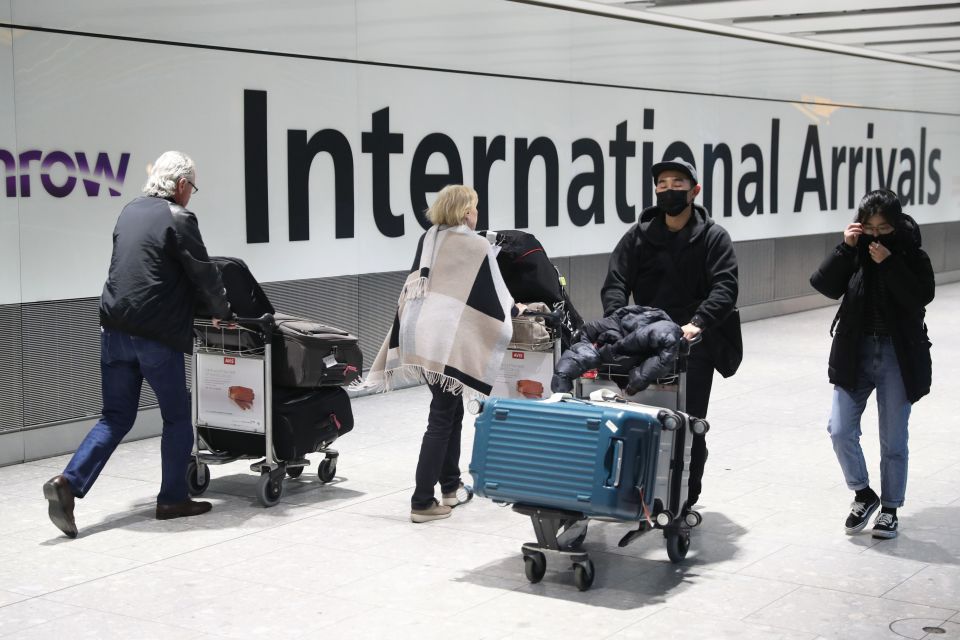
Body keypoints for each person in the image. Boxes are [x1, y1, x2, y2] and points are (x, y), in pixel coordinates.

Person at [42, 151, 233, 538]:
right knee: (178, 417)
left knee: (115, 417)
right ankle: (172, 499)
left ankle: (68, 483)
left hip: (112, 330)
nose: (190, 195)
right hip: (154, 336)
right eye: (191, 188)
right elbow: (202, 272)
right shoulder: (178, 218)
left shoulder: (129, 211)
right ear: (181, 185)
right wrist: (222, 312)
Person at [361, 185, 514, 523]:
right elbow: (495, 295)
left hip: (417, 333)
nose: (476, 214)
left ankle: (450, 486)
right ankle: (422, 501)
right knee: (441, 418)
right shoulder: (476, 245)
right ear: (464, 212)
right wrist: (514, 313)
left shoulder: (429, 238)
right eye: (474, 208)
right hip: (443, 342)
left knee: (449, 410)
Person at [601, 158, 740, 509]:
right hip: (647, 339)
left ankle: (684, 499)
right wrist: (619, 320)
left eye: (677, 182)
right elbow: (616, 282)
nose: (668, 189)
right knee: (642, 416)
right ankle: (639, 490)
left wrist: (699, 322)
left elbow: (725, 286)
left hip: (693, 344)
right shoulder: (638, 236)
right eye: (662, 183)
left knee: (688, 420)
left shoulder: (712, 237)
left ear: (695, 190)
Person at [810, 189, 934, 540]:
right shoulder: (855, 251)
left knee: (894, 438)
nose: (875, 234)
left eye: (883, 227)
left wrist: (890, 263)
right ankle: (864, 493)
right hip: (855, 351)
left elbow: (920, 296)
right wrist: (845, 248)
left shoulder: (911, 254)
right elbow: (823, 285)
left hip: (897, 355)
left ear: (895, 225)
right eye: (869, 226)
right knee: (839, 428)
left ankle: (890, 509)